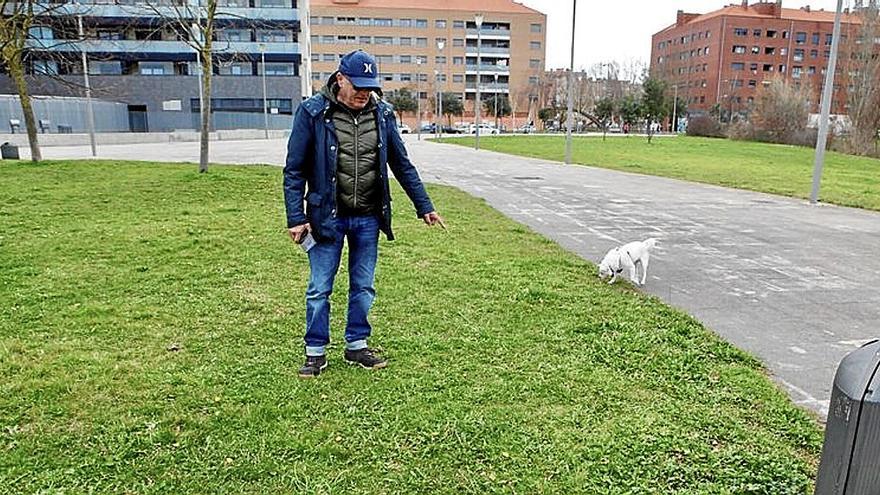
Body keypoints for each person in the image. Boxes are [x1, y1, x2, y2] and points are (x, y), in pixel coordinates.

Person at [283, 49, 445, 378]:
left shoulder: (382, 114)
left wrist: (424, 205)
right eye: (358, 85)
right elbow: (294, 170)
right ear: (340, 78)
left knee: (364, 286)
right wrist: (296, 217)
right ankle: (315, 352)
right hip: (326, 217)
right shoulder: (313, 112)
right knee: (319, 288)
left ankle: (356, 345)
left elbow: (401, 164)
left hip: (368, 217)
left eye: (370, 87)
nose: (364, 93)